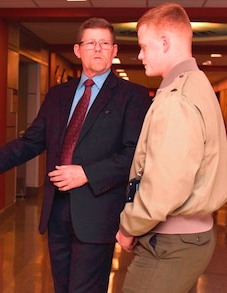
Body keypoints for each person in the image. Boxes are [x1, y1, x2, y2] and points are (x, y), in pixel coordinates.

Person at [0, 17, 150, 292]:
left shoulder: (133, 96)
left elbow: (134, 156)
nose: (98, 49)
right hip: (57, 211)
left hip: (97, 214)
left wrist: (86, 174)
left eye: (105, 43)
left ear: (114, 51)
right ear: (77, 49)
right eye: (91, 43)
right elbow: (33, 140)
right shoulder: (59, 94)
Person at [116, 3, 227, 293]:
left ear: (164, 43)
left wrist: (129, 227)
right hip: (190, 236)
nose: (139, 55)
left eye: (143, 46)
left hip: (170, 244)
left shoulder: (178, 99)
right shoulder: (197, 83)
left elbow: (165, 186)